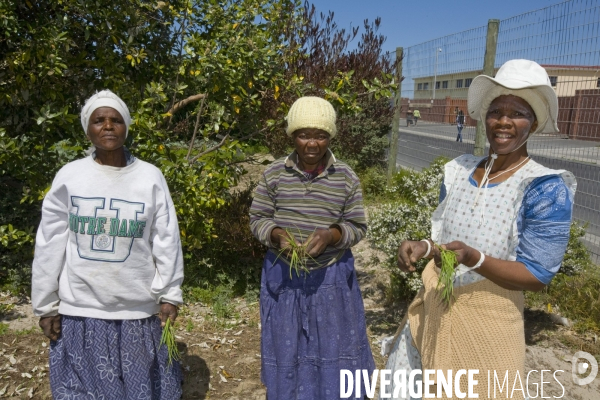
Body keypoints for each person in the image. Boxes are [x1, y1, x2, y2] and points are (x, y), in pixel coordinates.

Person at [380, 59, 576, 399]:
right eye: (496, 111)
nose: (503, 121)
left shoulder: (543, 187)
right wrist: (424, 247)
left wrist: (475, 258)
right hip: (434, 315)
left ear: (534, 123)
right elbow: (446, 239)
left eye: (518, 113)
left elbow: (538, 274)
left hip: (490, 322)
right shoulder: (458, 171)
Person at [31, 90, 184, 399]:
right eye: (99, 120)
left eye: (116, 120)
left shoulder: (149, 177)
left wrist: (170, 293)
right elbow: (50, 242)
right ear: (88, 128)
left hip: (136, 312)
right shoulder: (70, 176)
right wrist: (46, 305)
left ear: (127, 126)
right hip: (81, 312)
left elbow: (166, 239)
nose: (108, 126)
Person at [249, 96, 375, 399]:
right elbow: (258, 219)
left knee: (335, 347)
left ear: (330, 137)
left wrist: (332, 235)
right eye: (304, 134)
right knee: (287, 347)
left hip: (330, 279)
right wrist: (277, 235)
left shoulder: (345, 177)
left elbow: (358, 226)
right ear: (292, 135)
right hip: (285, 279)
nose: (312, 143)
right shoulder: (274, 174)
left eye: (320, 135)